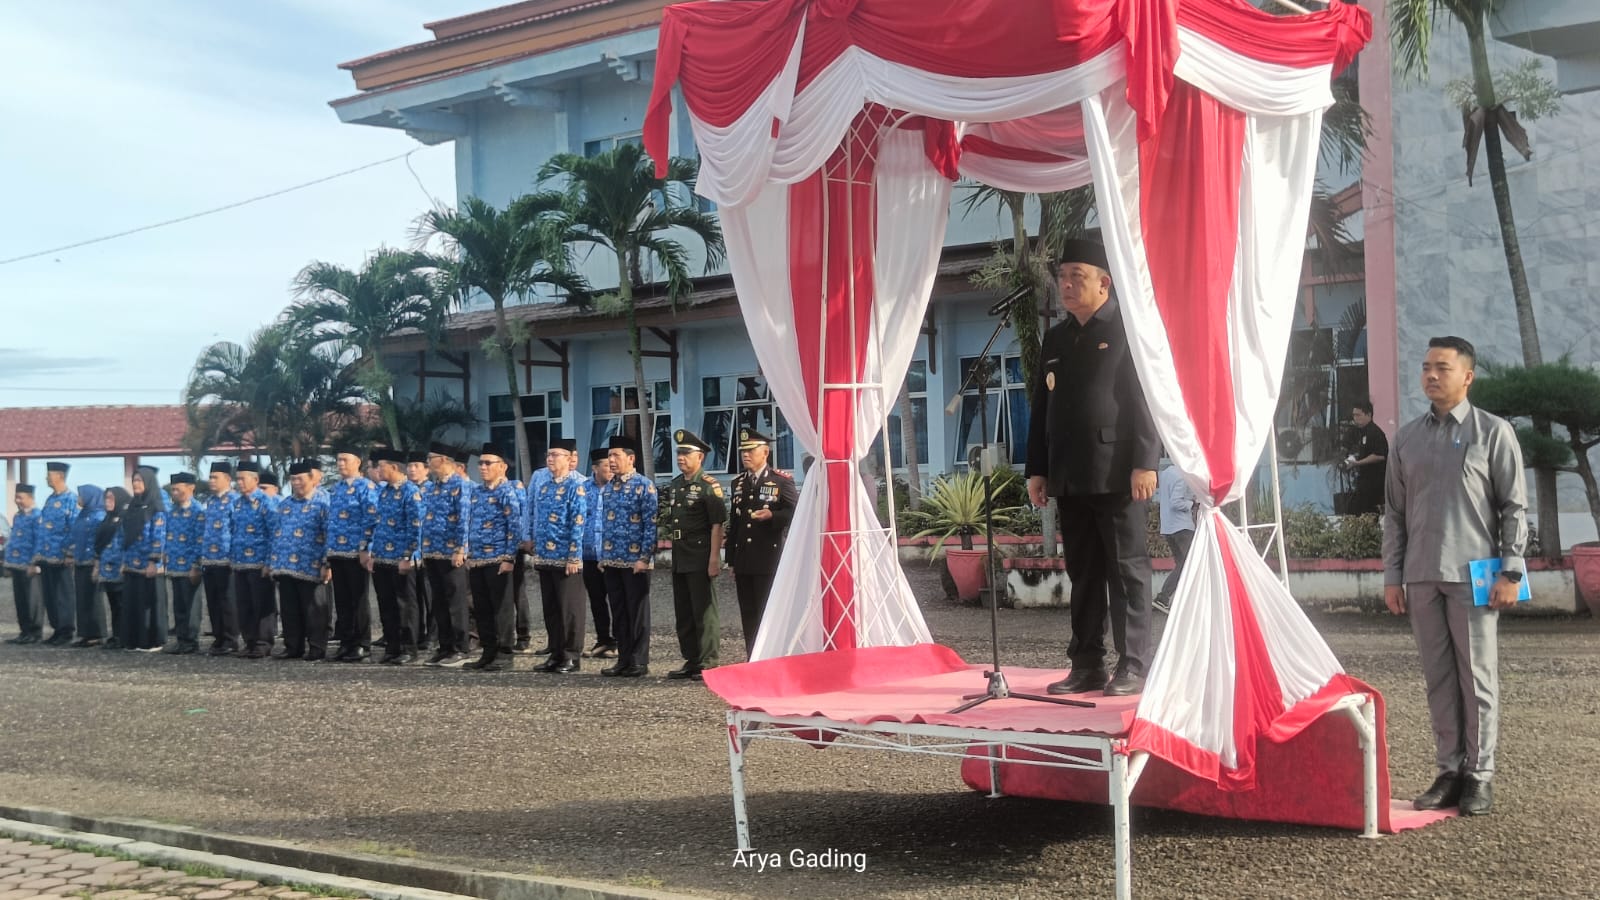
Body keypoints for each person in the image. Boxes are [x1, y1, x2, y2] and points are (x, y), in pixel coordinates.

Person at [1383, 336, 1527, 818]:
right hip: (1423, 574)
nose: (1430, 375)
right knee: (1439, 679)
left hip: (1476, 576)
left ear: (1467, 376)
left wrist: (1511, 570)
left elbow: (1513, 508)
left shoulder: (1493, 432)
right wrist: (1392, 575)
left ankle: (1480, 775)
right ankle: (1448, 771)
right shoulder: (1406, 438)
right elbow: (1395, 514)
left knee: (1477, 679)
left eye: (1442, 367)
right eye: (1426, 367)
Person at [1025, 239, 1160, 697]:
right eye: (1062, 277)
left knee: (1126, 572)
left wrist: (1145, 461)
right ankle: (1086, 664)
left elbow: (1144, 401)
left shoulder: (1127, 329)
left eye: (1076, 276)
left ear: (1104, 282)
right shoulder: (1057, 337)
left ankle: (1134, 663)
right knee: (1083, 573)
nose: (1065, 284)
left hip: (1118, 471)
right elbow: (1042, 406)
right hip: (1069, 473)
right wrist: (1037, 469)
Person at [725, 428, 798, 656]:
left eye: (750, 450)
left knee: (768, 610)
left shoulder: (780, 481)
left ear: (765, 452)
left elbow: (796, 512)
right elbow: (735, 523)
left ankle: (772, 655)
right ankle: (753, 656)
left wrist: (773, 517)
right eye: (743, 451)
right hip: (744, 558)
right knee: (748, 612)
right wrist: (731, 560)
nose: (745, 455)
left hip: (768, 557)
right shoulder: (738, 482)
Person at [662, 429, 726, 680]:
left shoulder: (708, 486)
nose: (680, 458)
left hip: (700, 555)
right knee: (684, 610)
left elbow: (717, 524)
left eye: (686, 453)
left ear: (700, 457)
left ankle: (709, 661)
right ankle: (691, 658)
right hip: (680, 555)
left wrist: (714, 558)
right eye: (679, 453)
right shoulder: (677, 484)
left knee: (704, 611)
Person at [599, 434, 659, 678]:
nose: (611, 460)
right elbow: (604, 524)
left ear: (631, 458)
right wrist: (604, 555)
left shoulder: (644, 486)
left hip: (636, 561)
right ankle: (623, 659)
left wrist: (644, 557)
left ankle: (638, 660)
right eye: (609, 455)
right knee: (619, 611)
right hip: (613, 560)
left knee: (637, 612)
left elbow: (651, 525)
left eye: (616, 455)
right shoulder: (609, 488)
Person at [464, 442, 526, 671]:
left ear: (502, 467)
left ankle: (504, 652)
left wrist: (509, 558)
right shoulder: (476, 492)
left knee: (501, 607)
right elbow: (469, 523)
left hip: (498, 558)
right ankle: (488, 650)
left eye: (487, 463)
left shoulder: (507, 491)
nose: (482, 467)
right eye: (480, 463)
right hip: (478, 558)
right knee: (482, 607)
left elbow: (515, 526)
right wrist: (468, 552)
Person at [530, 440, 588, 674]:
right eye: (548, 455)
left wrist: (574, 556)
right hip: (546, 557)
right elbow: (539, 520)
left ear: (568, 458)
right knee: (551, 608)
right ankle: (555, 653)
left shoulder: (576, 486)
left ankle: (571, 655)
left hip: (566, 558)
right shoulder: (544, 486)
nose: (550, 459)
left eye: (556, 455)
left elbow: (578, 523)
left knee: (569, 609)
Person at [269, 459, 332, 661]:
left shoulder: (323, 503)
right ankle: (292, 647)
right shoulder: (284, 505)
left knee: (314, 610)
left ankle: (316, 647)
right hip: (285, 565)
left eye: (300, 479)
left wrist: (326, 563)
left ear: (312, 479)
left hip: (311, 566)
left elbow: (329, 534)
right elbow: (275, 534)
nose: (296, 483)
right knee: (289, 611)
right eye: (293, 479)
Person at [420, 443, 474, 667]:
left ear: (443, 460)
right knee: (439, 602)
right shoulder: (432, 487)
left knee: (455, 601)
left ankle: (460, 647)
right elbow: (426, 518)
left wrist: (461, 548)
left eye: (430, 458)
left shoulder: (459, 485)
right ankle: (445, 646)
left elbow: (464, 518)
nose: (427, 463)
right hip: (433, 551)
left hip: (451, 552)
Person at [368, 449, 423, 664]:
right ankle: (392, 647)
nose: (378, 469)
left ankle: (409, 648)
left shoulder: (411, 492)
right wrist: (372, 551)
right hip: (382, 556)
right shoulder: (384, 492)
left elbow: (415, 526)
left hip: (401, 557)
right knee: (386, 604)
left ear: (394, 467)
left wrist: (408, 555)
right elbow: (376, 523)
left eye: (381, 465)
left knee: (405, 605)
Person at [327, 449, 378, 663]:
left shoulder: (365, 487)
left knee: (358, 599)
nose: (340, 464)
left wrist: (365, 548)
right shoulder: (335, 489)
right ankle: (346, 642)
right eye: (338, 460)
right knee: (343, 600)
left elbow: (371, 518)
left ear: (358, 462)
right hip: (337, 551)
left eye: (345, 460)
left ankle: (362, 644)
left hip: (356, 551)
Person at [230, 461, 279, 659]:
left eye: (243, 478)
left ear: (256, 480)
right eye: (238, 478)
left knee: (262, 604)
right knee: (244, 604)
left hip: (259, 563)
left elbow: (274, 533)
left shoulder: (266, 502)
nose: (240, 482)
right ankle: (249, 641)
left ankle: (263, 642)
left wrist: (269, 562)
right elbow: (233, 531)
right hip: (240, 562)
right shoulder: (238, 503)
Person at [119, 466, 168, 651]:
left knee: (149, 603)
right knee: (133, 602)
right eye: (134, 480)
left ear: (148, 482)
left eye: (139, 480)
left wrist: (153, 561)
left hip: (148, 563)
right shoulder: (133, 505)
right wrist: (124, 560)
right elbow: (126, 534)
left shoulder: (156, 505)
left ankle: (152, 640)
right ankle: (133, 639)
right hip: (132, 561)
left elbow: (159, 534)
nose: (135, 484)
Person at [34, 461, 78, 645]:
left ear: (59, 475)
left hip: (61, 556)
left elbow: (74, 528)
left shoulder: (71, 499)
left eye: (49, 474)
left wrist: (70, 553)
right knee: (50, 595)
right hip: (46, 556)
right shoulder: (50, 499)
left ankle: (66, 630)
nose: (46, 478)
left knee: (63, 594)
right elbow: (43, 528)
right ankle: (56, 629)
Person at [161, 472, 205, 654]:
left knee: (191, 606)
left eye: (178, 489)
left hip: (190, 567)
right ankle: (181, 639)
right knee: (178, 605)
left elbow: (200, 540)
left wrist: (196, 565)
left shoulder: (198, 512)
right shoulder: (172, 512)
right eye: (173, 490)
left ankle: (191, 641)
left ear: (191, 488)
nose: (175, 493)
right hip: (174, 566)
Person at [199, 462, 239, 656]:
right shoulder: (210, 501)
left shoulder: (235, 500)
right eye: (210, 477)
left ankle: (231, 639)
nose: (211, 481)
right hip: (209, 559)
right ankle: (219, 638)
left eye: (216, 477)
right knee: (213, 601)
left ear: (227, 479)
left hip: (226, 558)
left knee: (227, 600)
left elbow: (236, 530)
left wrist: (234, 556)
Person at [580, 447, 616, 659]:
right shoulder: (583, 489)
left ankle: (619, 641)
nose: (610, 469)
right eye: (606, 465)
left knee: (616, 600)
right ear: (595, 468)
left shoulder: (618, 487)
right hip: (589, 554)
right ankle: (604, 639)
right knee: (596, 600)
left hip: (611, 555)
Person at [1152, 460, 1196, 615]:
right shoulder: (1182, 476)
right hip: (1182, 527)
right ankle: (1165, 597)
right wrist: (1192, 503)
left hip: (1169, 527)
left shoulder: (1166, 473)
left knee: (1181, 565)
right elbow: (1176, 502)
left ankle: (1166, 598)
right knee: (1189, 564)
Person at [4, 484, 43, 644]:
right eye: (16, 497)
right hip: (17, 565)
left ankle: (35, 632)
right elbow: (13, 540)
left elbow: (39, 540)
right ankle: (24, 631)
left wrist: (35, 563)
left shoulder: (38, 516)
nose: (17, 501)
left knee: (33, 600)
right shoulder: (18, 517)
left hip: (30, 565)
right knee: (20, 600)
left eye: (21, 497)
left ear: (30, 498)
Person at [67, 484, 106, 647]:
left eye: (81, 495)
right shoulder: (82, 515)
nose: (78, 498)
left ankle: (96, 633)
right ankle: (85, 633)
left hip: (92, 562)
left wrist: (97, 562)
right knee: (81, 598)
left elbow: (100, 540)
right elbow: (74, 536)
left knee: (93, 598)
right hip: (80, 561)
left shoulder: (99, 516)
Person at [405, 450, 435, 652]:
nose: (412, 470)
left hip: (428, 550)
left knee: (430, 595)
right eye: (410, 466)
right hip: (409, 553)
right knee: (411, 597)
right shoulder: (405, 490)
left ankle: (433, 636)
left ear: (426, 469)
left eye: (417, 466)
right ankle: (414, 634)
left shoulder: (432, 489)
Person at [95, 488, 132, 649]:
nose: (107, 501)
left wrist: (126, 562)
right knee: (113, 604)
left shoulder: (126, 519)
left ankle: (124, 636)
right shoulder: (106, 519)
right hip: (107, 568)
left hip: (120, 567)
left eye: (111, 498)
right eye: (106, 498)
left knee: (122, 603)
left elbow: (128, 542)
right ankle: (116, 635)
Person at [1343, 402, 1389, 515]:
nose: (1355, 418)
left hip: (1374, 481)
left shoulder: (1375, 432)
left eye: (1358, 415)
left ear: (1368, 415)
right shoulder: (1359, 432)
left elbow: (1379, 455)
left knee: (1368, 511)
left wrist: (1358, 463)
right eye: (1354, 415)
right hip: (1363, 479)